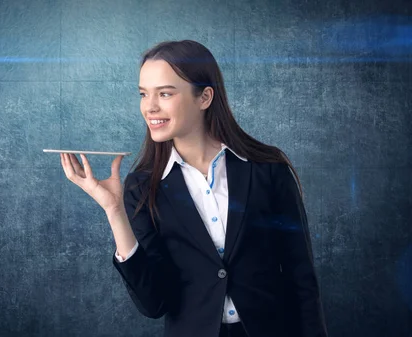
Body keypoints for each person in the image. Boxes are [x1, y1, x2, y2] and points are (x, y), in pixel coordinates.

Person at [60, 40, 328, 337]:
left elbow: (301, 277)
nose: (150, 107)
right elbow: (154, 303)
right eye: (143, 94)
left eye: (165, 93)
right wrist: (114, 210)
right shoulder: (142, 186)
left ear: (204, 97)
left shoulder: (267, 169)